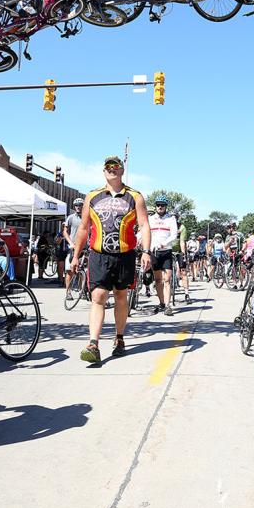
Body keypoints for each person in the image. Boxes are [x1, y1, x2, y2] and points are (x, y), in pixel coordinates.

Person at [70, 155, 152, 362]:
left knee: (120, 295)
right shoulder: (92, 196)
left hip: (125, 255)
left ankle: (119, 337)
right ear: (103, 170)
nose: (112, 169)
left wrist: (146, 251)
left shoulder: (134, 196)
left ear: (122, 170)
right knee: (98, 296)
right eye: (108, 166)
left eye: (116, 166)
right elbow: (84, 228)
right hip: (99, 254)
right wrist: (76, 255)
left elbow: (144, 225)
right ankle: (93, 344)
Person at [148, 194, 183, 314]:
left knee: (167, 279)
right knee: (158, 280)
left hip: (166, 251)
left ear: (166, 206)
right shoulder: (151, 219)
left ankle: (168, 306)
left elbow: (174, 235)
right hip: (154, 252)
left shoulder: (171, 219)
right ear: (155, 206)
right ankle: (162, 303)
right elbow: (145, 232)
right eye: (158, 205)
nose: (160, 207)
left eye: (162, 205)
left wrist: (164, 243)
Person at [64, 198, 85, 292]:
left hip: (84, 248)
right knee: (69, 270)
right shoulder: (71, 217)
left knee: (82, 271)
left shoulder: (87, 218)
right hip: (73, 248)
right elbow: (65, 232)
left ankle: (81, 290)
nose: (78, 207)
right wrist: (71, 243)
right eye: (76, 205)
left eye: (80, 205)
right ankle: (68, 292)